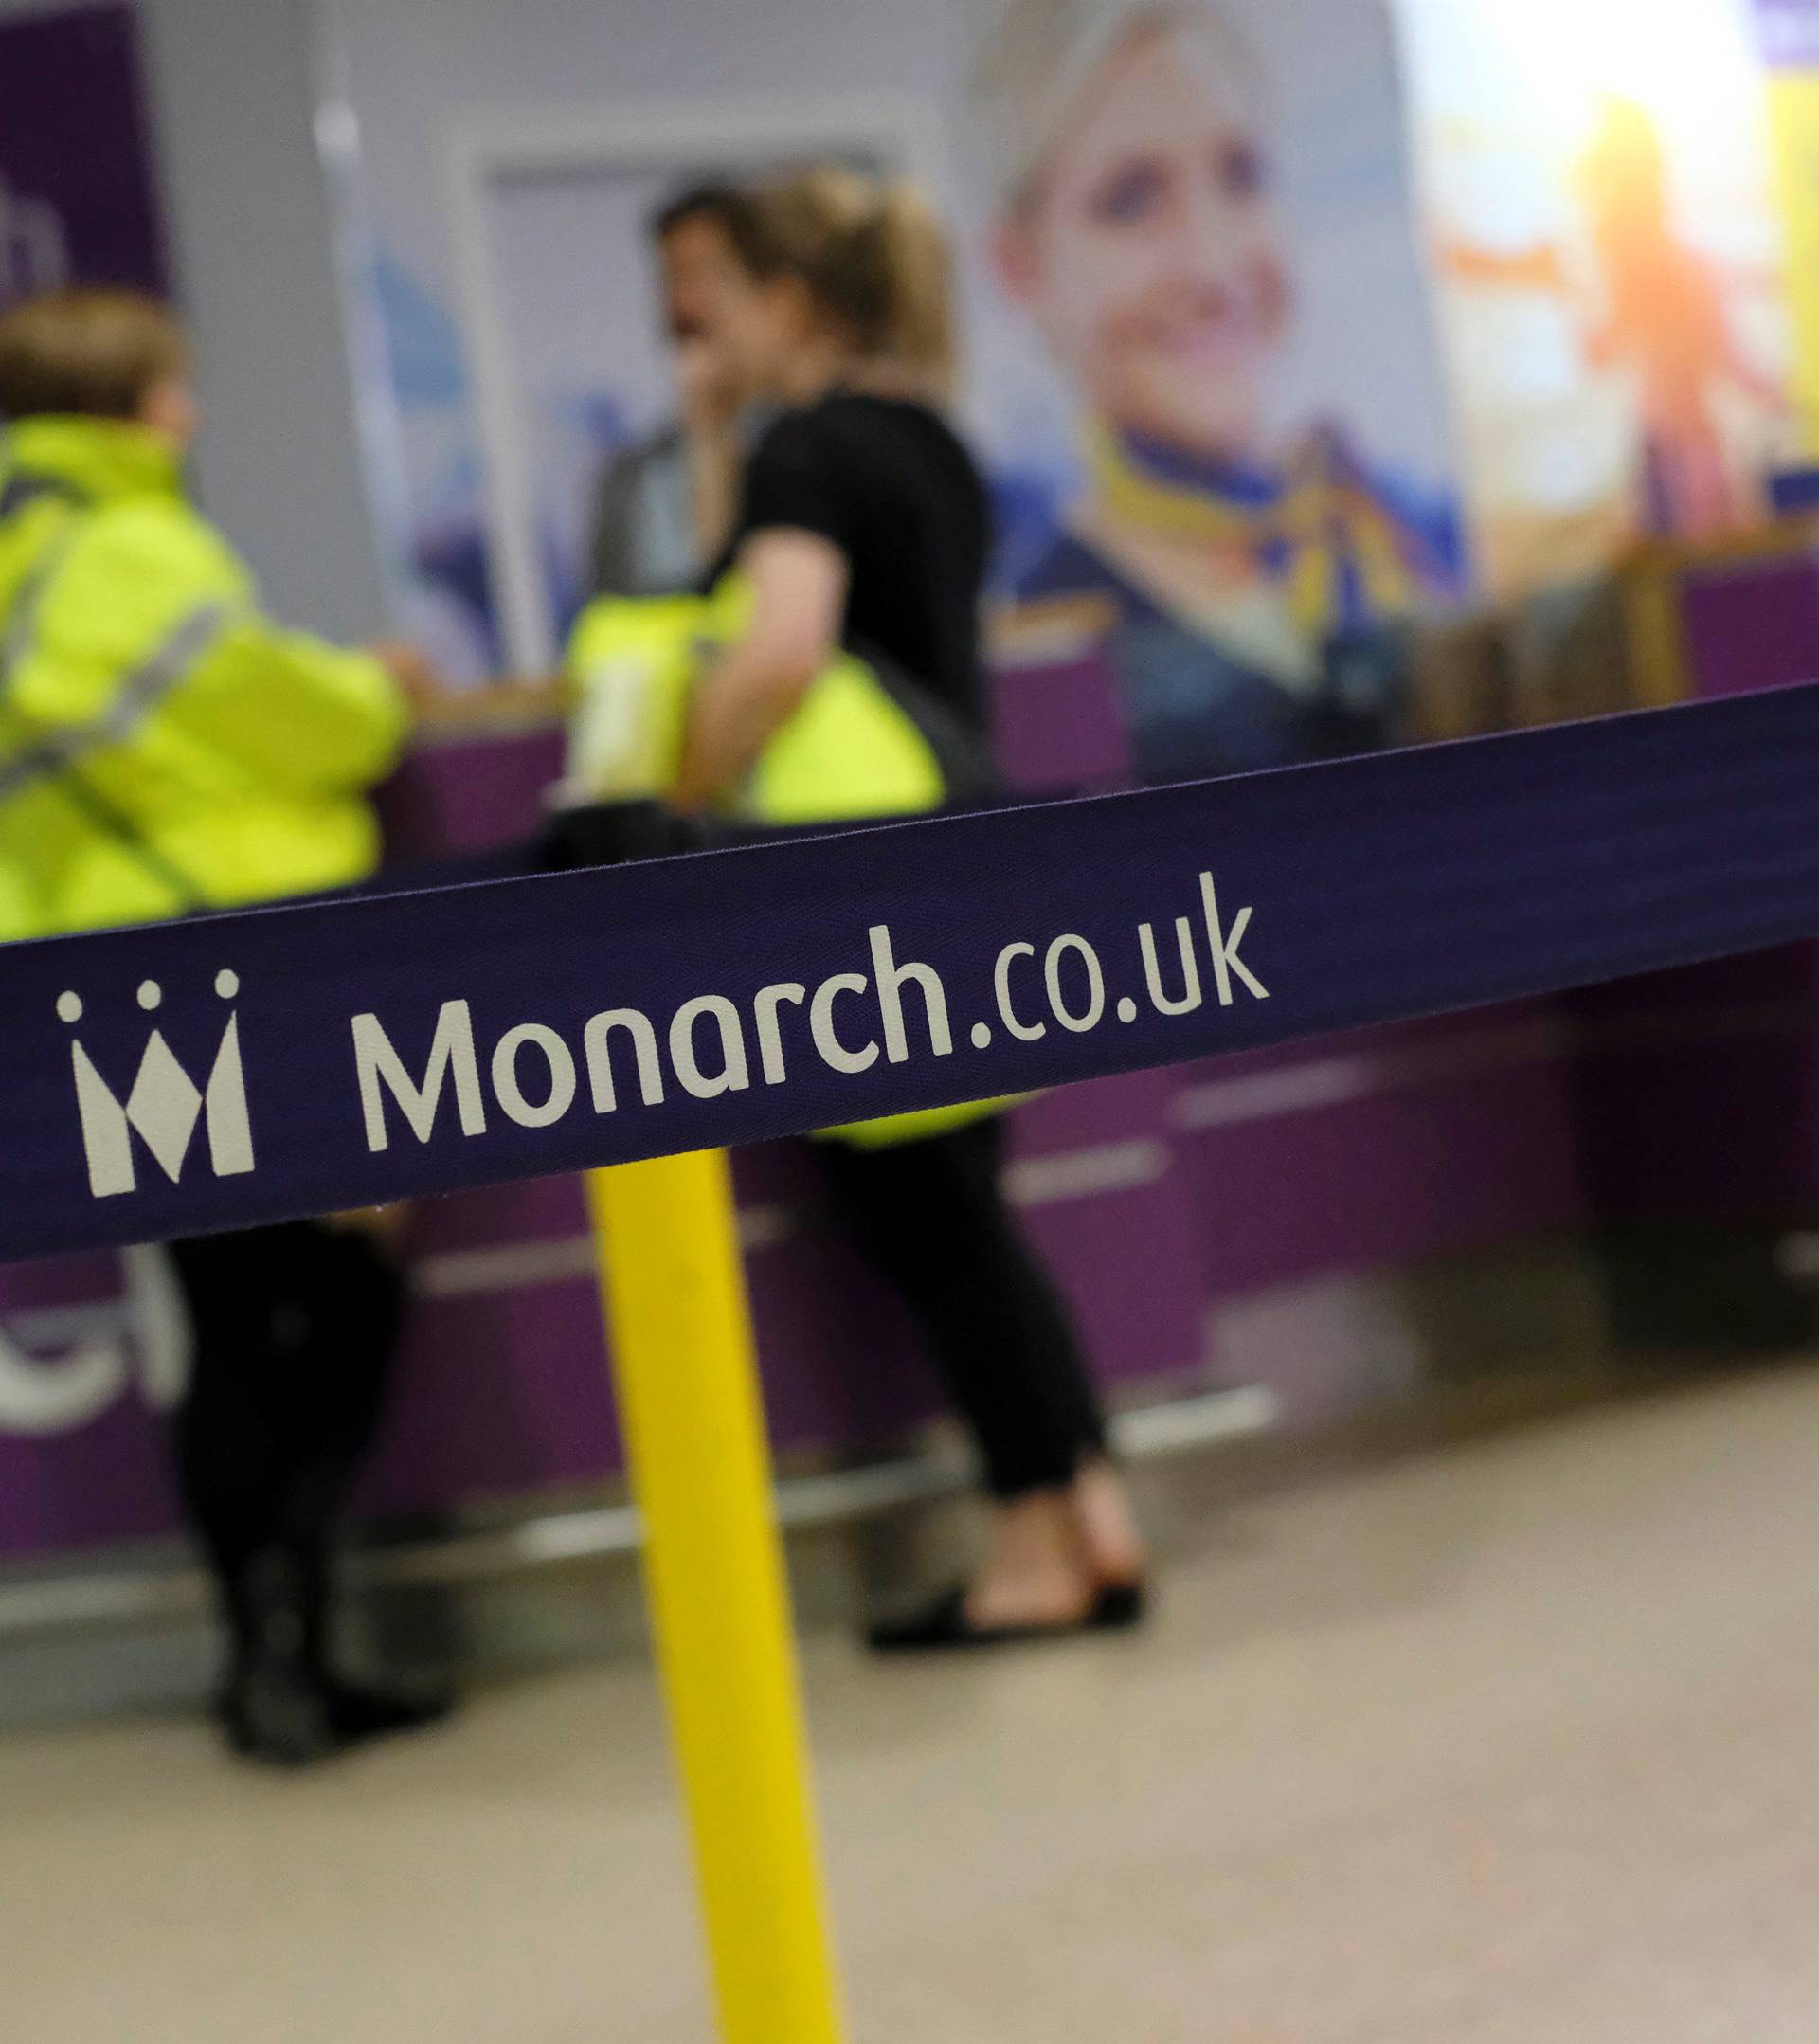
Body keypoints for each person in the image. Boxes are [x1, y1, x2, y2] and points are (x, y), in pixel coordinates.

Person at [673, 166, 1148, 1647]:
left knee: (935, 1233)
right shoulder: (926, 439)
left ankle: (1028, 1547)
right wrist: (712, 440)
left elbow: (775, 646)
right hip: (959, 854)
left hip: (850, 880)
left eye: (724, 302)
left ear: (791, 299)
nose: (703, 337)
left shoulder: (807, 450)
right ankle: (1091, 1511)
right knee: (974, 1217)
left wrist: (685, 786)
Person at [0, 286, 449, 1763]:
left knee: (222, 1314)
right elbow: (291, 717)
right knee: (339, 1283)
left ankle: (262, 1652)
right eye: (173, 389)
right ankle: (289, 1649)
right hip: (230, 965)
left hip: (93, 979)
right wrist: (375, 688)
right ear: (123, 400)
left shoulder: (15, 558)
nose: (191, 414)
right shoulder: (133, 547)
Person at [973, 0, 1458, 784]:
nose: (1212, 260)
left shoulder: (1403, 528)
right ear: (1021, 268)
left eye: (1241, 175)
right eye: (1130, 200)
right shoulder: (1043, 633)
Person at [585, 182, 758, 600]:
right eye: (671, 277)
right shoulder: (632, 480)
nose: (684, 302)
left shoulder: (813, 443)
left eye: (703, 273)